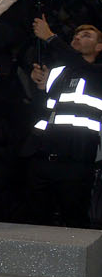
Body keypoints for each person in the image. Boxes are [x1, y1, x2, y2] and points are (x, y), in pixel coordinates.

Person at [23, 15, 102, 227]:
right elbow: (41, 113)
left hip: (76, 163)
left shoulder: (97, 72)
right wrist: (40, 88)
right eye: (76, 34)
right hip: (42, 159)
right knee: (37, 222)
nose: (78, 37)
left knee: (74, 223)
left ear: (99, 47)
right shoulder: (58, 73)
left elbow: (79, 65)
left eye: (87, 35)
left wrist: (50, 37)